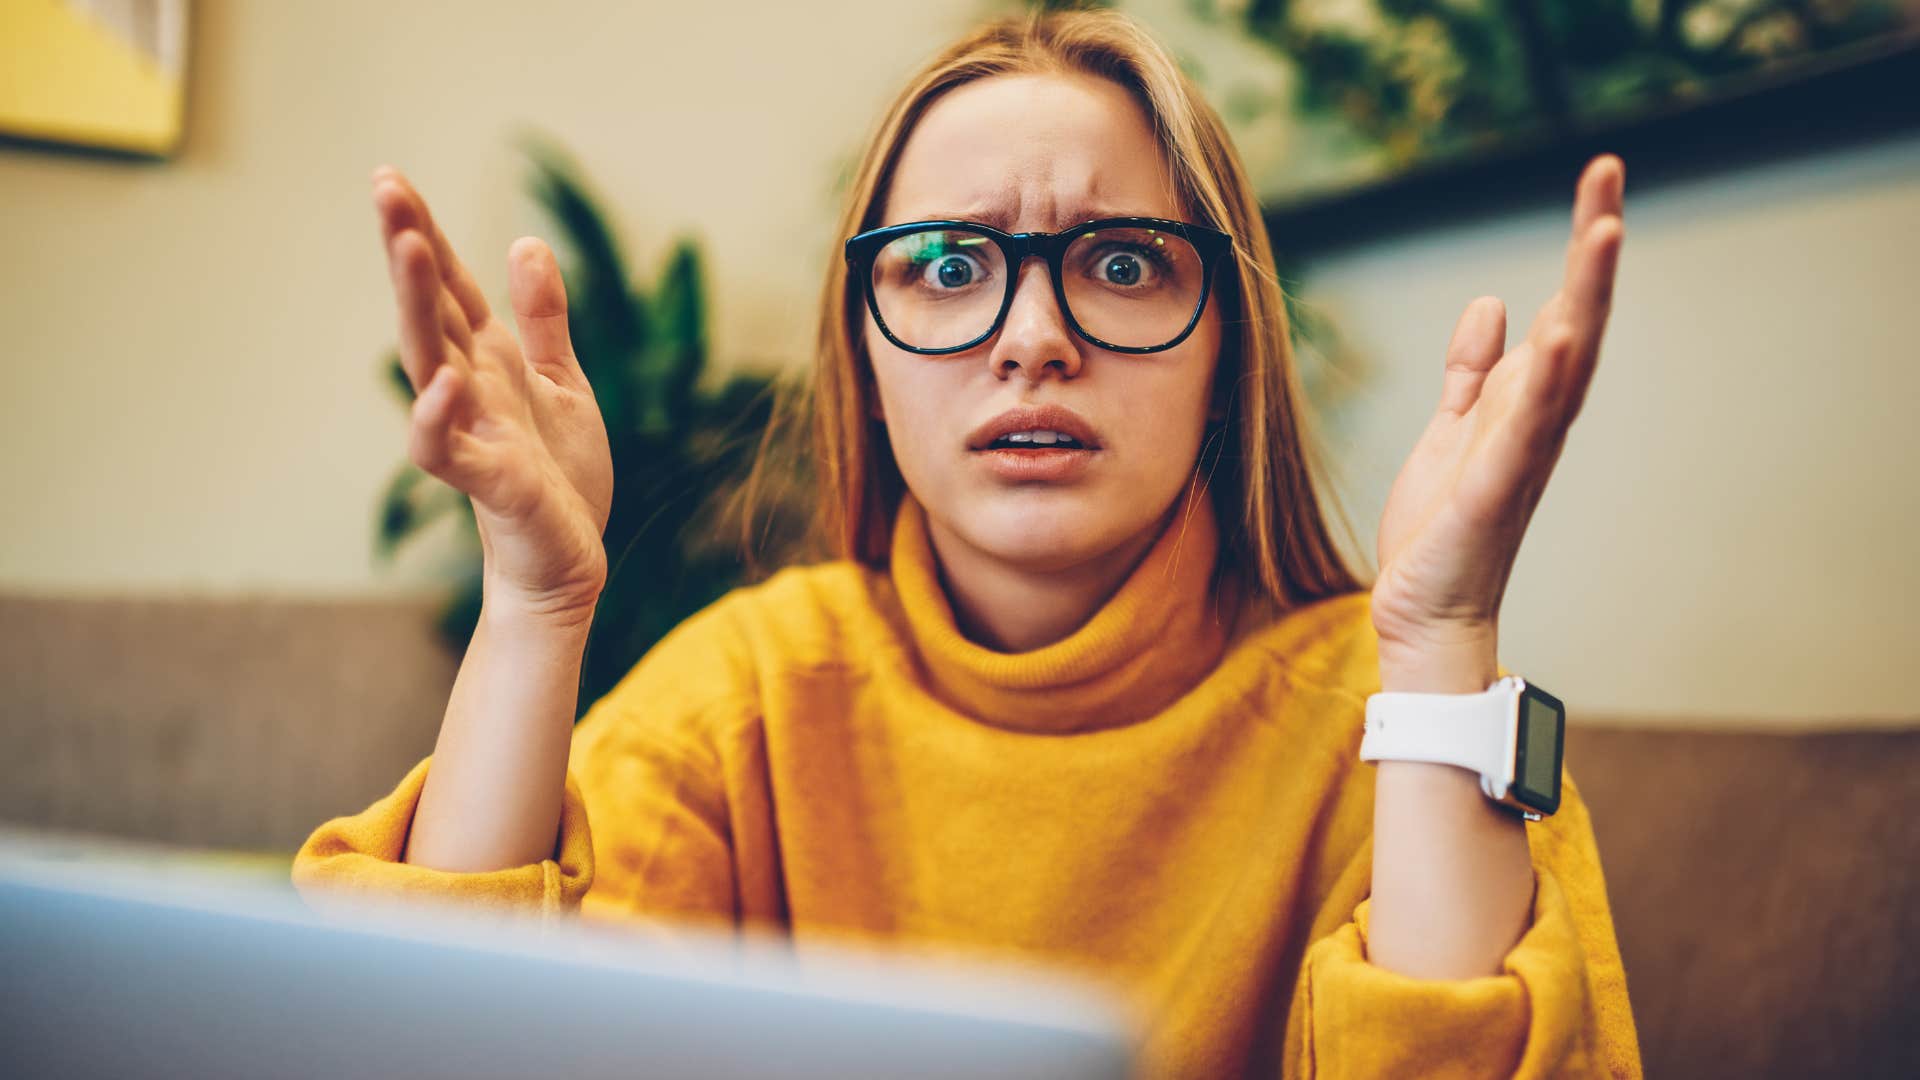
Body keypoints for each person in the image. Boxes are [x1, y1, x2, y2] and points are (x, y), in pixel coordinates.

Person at [294, 8, 1640, 1077]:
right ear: (865, 351)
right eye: (946, 268)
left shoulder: (1410, 715)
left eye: (1121, 264)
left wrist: (1443, 647)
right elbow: (435, 1047)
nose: (1033, 338)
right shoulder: (746, 696)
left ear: (1226, 346)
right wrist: (535, 605)